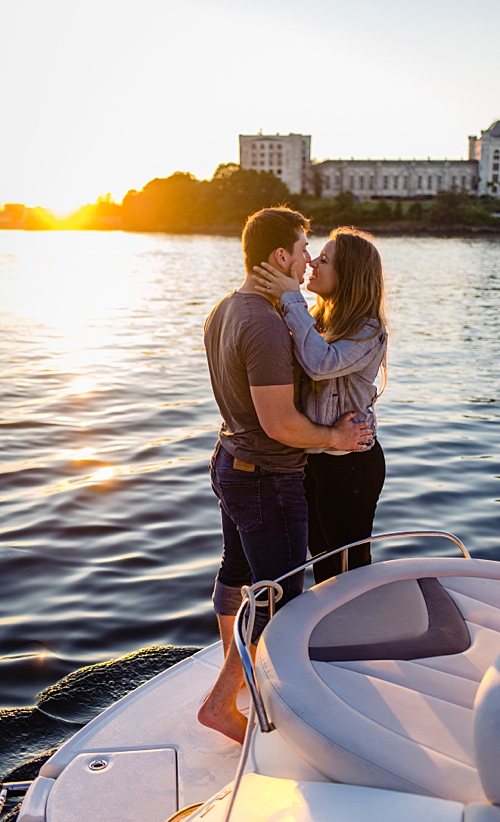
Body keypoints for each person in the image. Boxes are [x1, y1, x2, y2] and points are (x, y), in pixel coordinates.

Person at [198, 208, 370, 744]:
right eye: (302, 251)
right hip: (267, 478)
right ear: (279, 256)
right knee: (277, 596)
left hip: (230, 462)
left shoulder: (224, 309)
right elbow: (280, 423)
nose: (306, 262)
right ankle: (223, 703)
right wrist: (337, 439)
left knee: (238, 571)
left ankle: (236, 670)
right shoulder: (266, 323)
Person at [253, 226, 388, 584]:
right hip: (315, 459)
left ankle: (360, 634)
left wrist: (290, 296)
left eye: (324, 260)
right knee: (322, 562)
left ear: (349, 277)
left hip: (352, 465)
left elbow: (320, 363)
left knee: (349, 566)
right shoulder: (315, 319)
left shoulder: (368, 329)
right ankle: (335, 633)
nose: (312, 261)